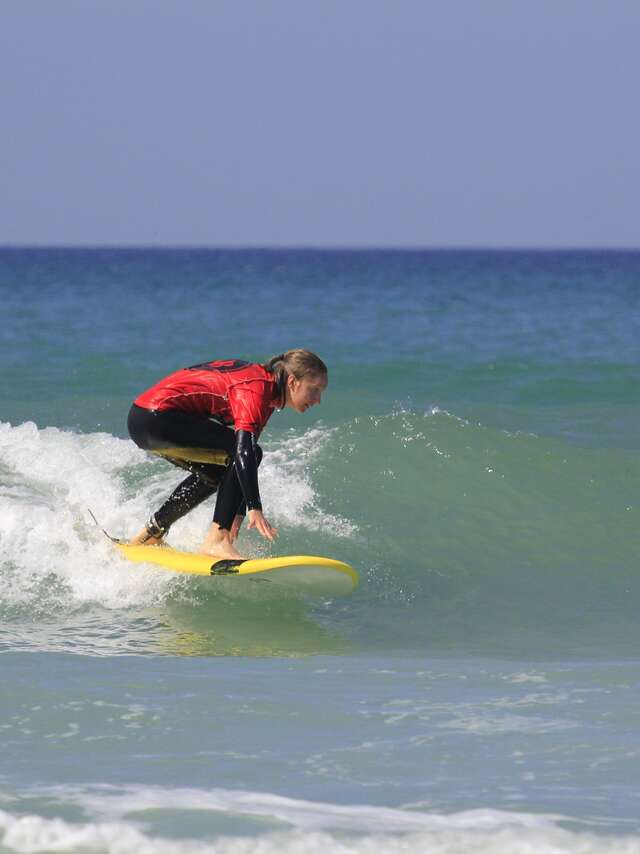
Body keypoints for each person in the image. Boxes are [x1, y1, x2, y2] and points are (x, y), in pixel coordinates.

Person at [127, 349, 328, 560]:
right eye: (314, 390)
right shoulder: (257, 389)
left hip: (143, 420)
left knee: (216, 472)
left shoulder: (265, 390)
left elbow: (244, 462)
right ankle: (216, 540)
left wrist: (237, 514)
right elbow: (243, 452)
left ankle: (151, 533)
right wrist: (254, 507)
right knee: (244, 451)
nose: (318, 400)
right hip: (157, 418)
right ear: (293, 382)